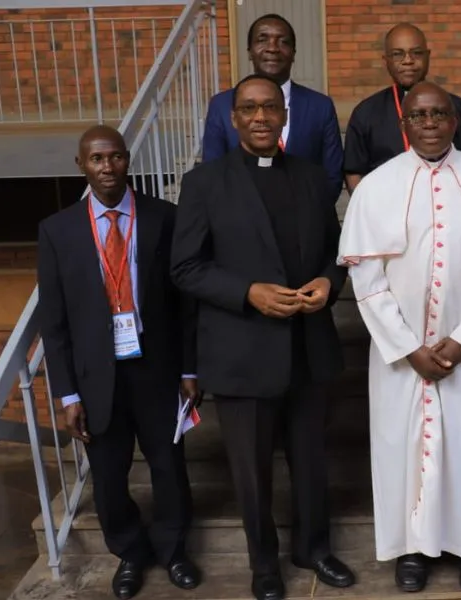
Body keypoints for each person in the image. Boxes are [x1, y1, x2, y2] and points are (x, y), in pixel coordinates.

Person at [338, 81, 461, 594]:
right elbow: (366, 275)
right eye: (419, 115)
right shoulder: (377, 185)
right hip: (401, 354)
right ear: (406, 124)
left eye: (439, 114)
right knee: (402, 449)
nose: (429, 123)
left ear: (455, 121)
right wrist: (407, 347)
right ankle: (412, 550)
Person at [171, 74, 355, 600]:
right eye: (248, 108)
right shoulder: (205, 183)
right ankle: (264, 564)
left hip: (307, 349)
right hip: (242, 348)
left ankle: (313, 548)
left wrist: (328, 279)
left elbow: (335, 250)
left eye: (269, 107)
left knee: (311, 460)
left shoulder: (311, 176)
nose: (259, 117)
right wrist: (248, 291)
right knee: (251, 471)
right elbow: (184, 267)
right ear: (233, 118)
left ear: (283, 115)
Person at [37, 126, 199, 600]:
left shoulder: (163, 218)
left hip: (157, 369)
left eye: (115, 158)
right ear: (81, 164)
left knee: (169, 464)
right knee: (108, 474)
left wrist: (189, 370)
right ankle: (130, 552)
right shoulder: (57, 230)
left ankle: (173, 550)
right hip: (95, 378)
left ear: (128, 160)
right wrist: (67, 393)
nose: (107, 168)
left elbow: (184, 304)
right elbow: (55, 321)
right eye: (96, 159)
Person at [201, 13, 343, 205]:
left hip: (304, 224)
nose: (272, 48)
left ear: (293, 53)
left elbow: (332, 177)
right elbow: (212, 173)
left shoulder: (320, 106)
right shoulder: (221, 105)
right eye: (262, 39)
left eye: (283, 42)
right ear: (250, 51)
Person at [343, 22, 461, 193]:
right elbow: (354, 172)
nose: (408, 61)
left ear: (428, 56)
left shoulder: (459, 108)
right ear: (386, 60)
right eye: (398, 54)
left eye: (416, 53)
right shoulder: (365, 113)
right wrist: (370, 210)